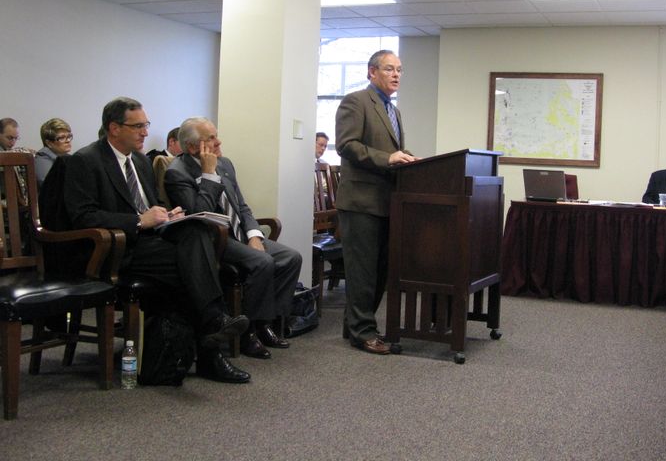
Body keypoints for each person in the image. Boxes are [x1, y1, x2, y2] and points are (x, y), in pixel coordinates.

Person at [62, 97, 252, 383]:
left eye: (146, 125)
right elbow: (83, 217)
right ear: (114, 128)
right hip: (113, 248)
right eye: (137, 126)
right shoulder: (86, 160)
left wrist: (168, 215)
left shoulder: (139, 160)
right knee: (196, 269)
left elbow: (149, 206)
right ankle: (212, 340)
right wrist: (139, 221)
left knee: (196, 232)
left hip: (147, 243)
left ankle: (210, 332)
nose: (145, 132)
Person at [164, 116, 303, 359]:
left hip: (240, 234)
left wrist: (254, 235)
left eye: (216, 135)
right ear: (193, 147)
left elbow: (242, 206)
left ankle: (265, 324)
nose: (219, 142)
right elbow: (198, 212)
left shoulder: (225, 163)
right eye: (211, 139)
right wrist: (208, 173)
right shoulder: (177, 173)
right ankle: (247, 333)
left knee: (291, 258)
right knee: (263, 263)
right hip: (215, 240)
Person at [335, 50, 416, 354]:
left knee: (379, 270)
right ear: (372, 72)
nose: (396, 75)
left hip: (385, 201)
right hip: (360, 201)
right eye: (389, 69)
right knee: (363, 272)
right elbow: (347, 145)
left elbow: (394, 151)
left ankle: (353, 324)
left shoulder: (394, 111)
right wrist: (388, 158)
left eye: (400, 69)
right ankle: (363, 332)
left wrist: (407, 159)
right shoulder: (356, 101)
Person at [35, 118, 73, 186]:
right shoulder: (42, 159)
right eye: (61, 138)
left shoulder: (68, 157)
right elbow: (52, 188)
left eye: (69, 136)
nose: (68, 140)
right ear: (49, 143)